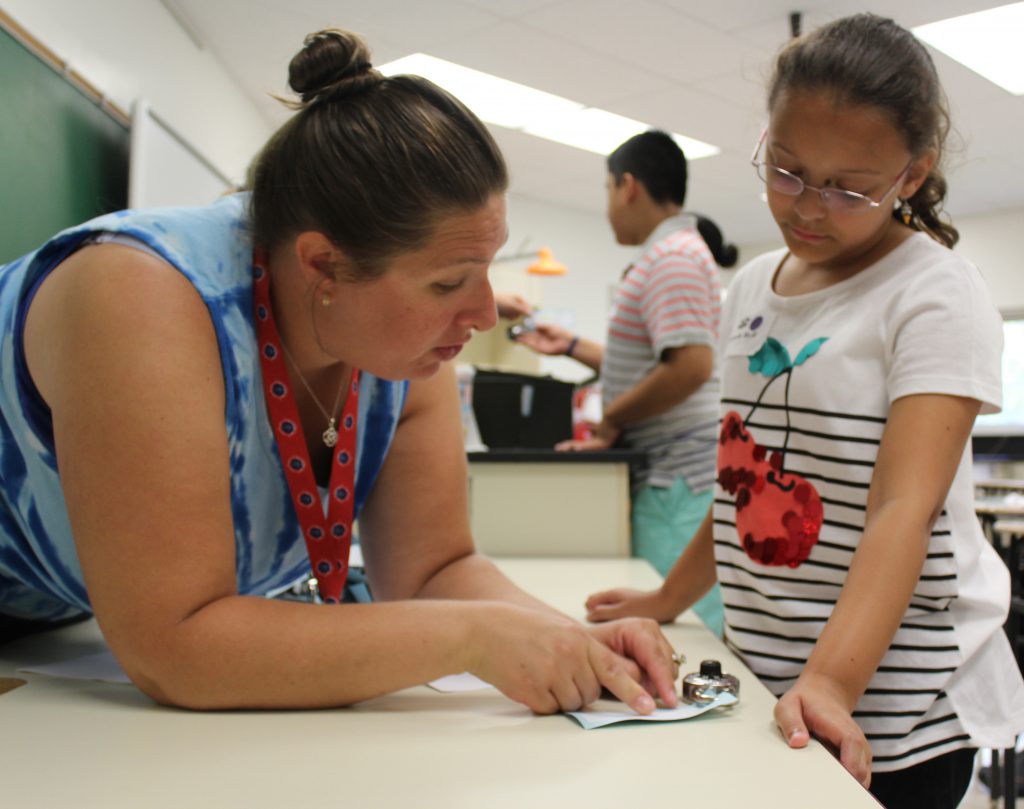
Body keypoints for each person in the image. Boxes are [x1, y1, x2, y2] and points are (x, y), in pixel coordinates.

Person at [0, 27, 681, 716]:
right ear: (323, 265)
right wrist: (476, 635)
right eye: (449, 283)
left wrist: (574, 640)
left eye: (487, 269)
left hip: (56, 624)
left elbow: (432, 570)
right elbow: (175, 644)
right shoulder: (140, 293)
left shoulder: (404, 345)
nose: (482, 313)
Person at [584, 13, 1024, 808]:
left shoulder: (934, 294)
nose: (809, 207)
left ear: (912, 175)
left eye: (849, 187)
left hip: (890, 710)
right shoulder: (752, 286)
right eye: (785, 170)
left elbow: (903, 509)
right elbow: (739, 483)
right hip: (766, 677)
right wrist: (665, 600)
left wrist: (831, 679)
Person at [516, 131, 734, 637]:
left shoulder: (673, 258)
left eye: (608, 188)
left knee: (683, 630)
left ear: (629, 186)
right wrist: (572, 346)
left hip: (679, 477)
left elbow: (690, 367)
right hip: (676, 472)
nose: (609, 203)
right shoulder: (672, 254)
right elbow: (660, 362)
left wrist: (610, 419)